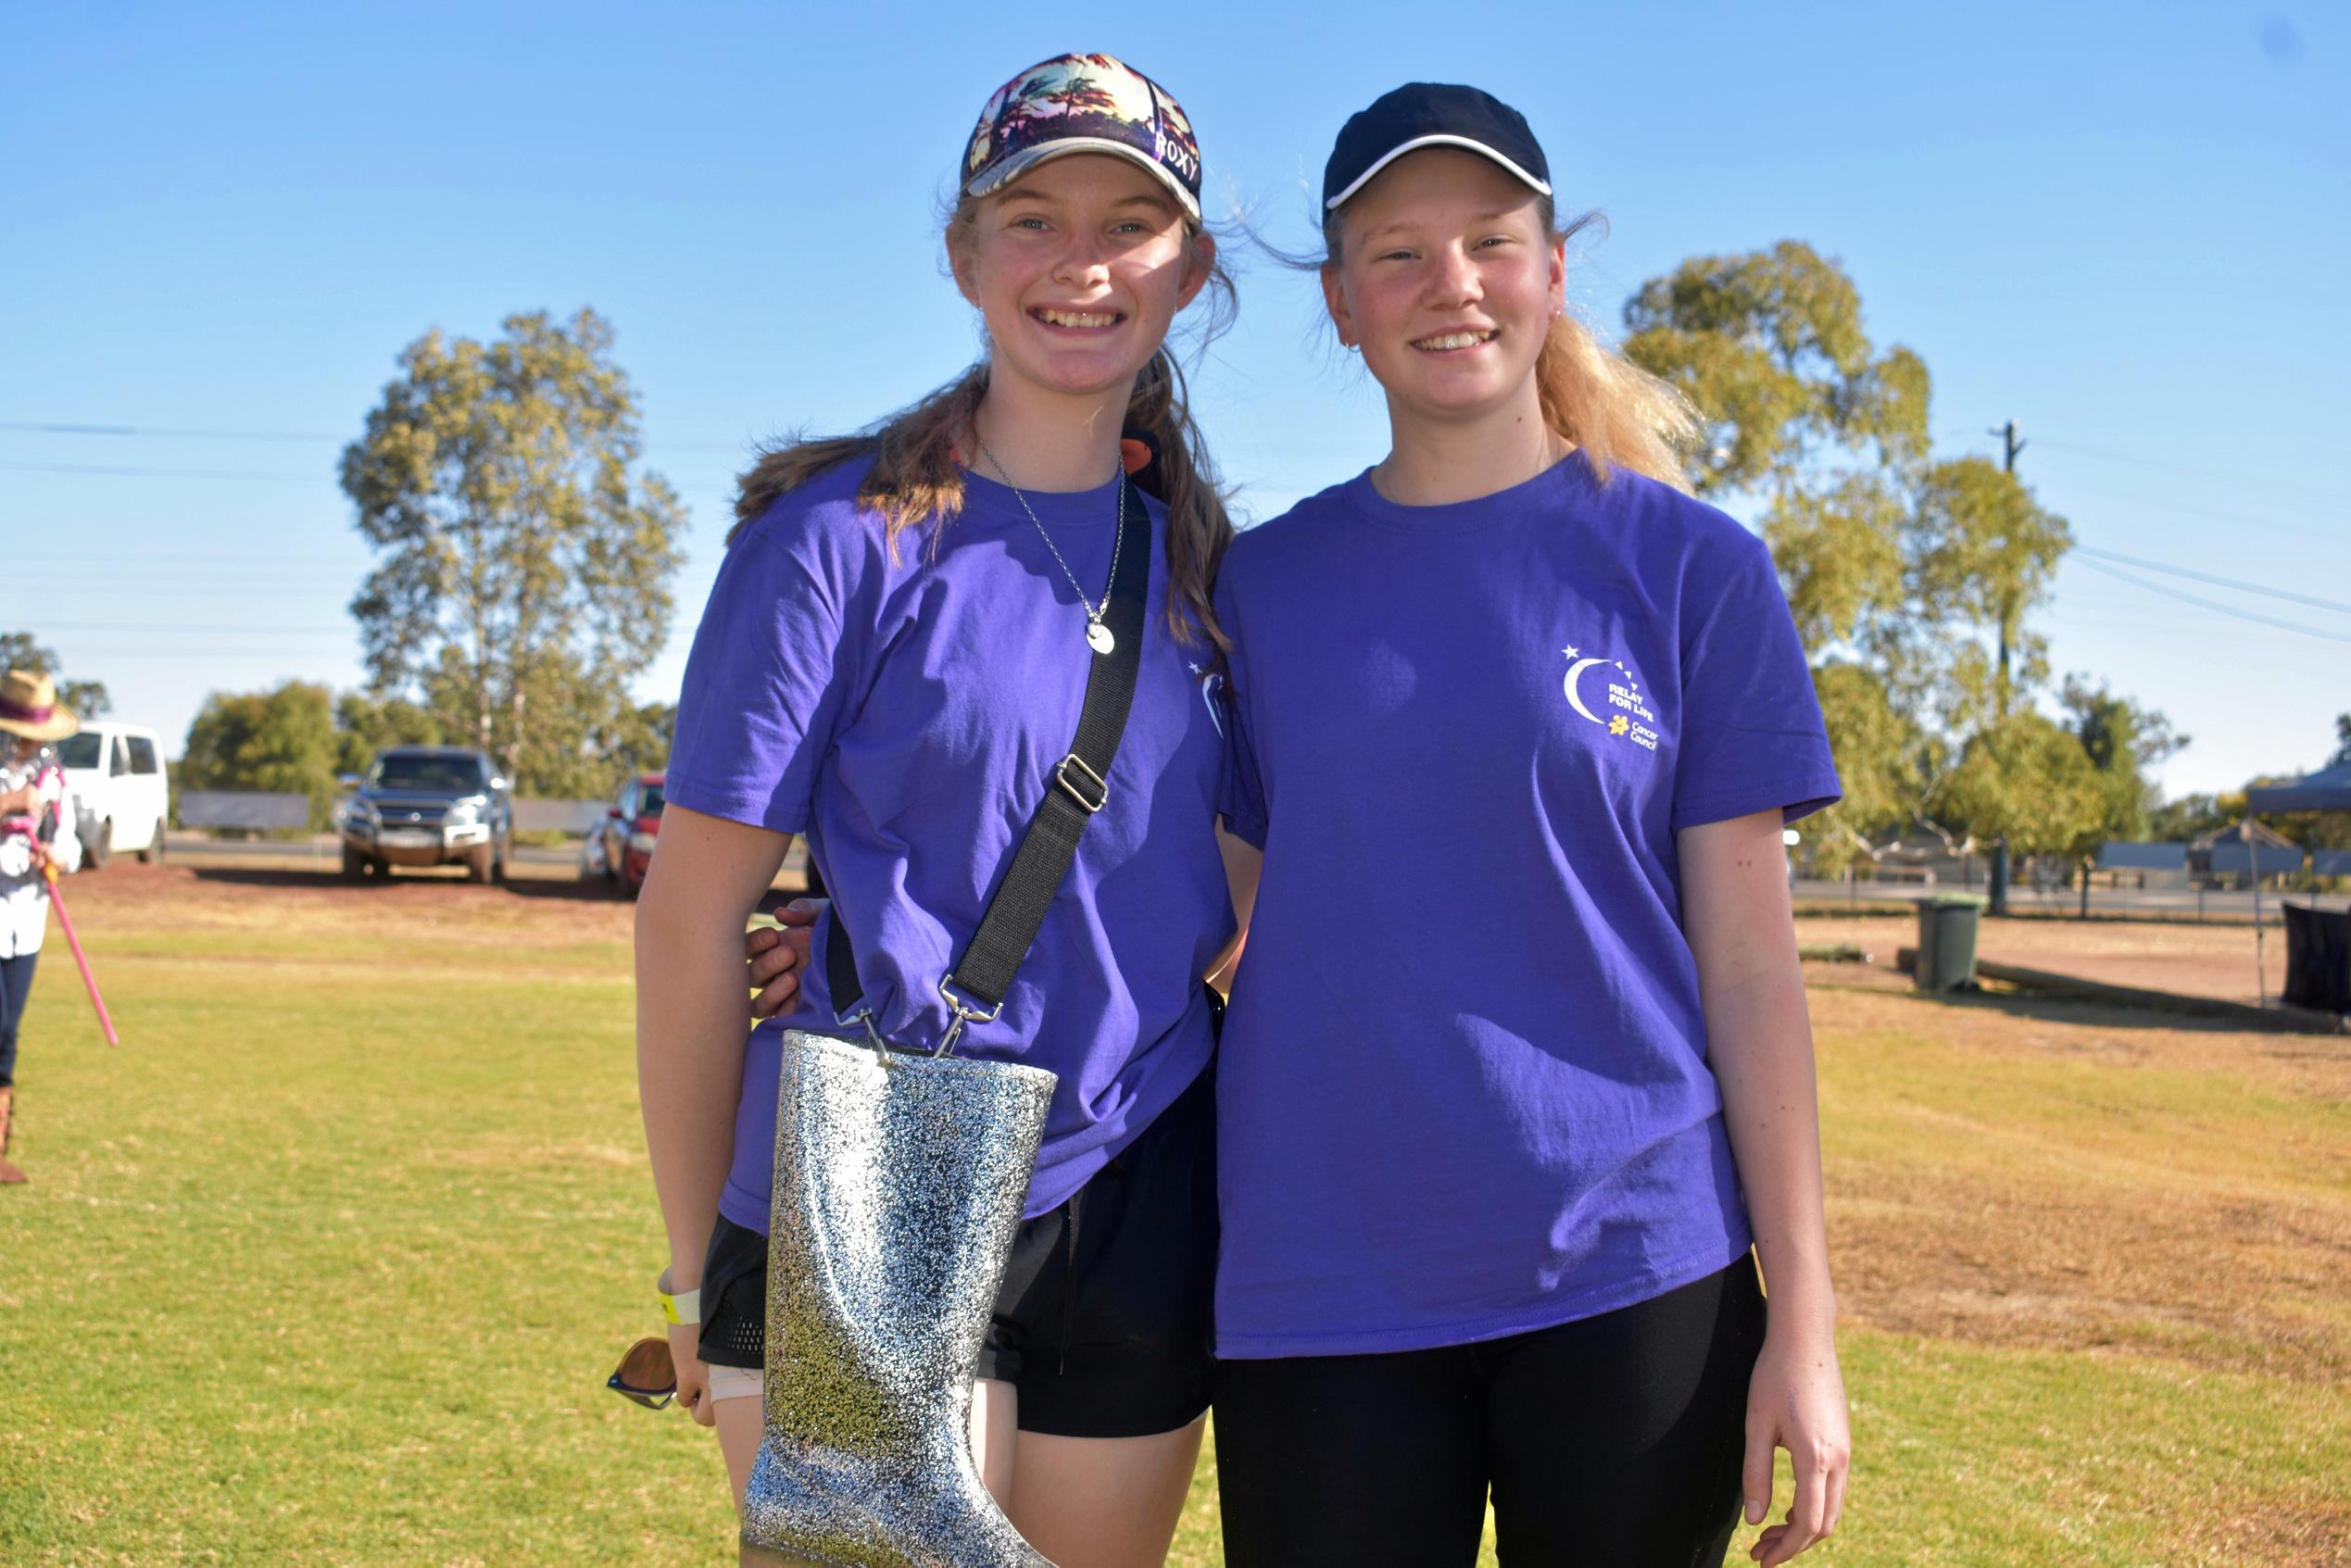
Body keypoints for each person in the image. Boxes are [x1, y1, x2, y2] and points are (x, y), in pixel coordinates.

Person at [1202, 85, 1851, 1568]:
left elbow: (1751, 974)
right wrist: (854, 939)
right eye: (1397, 253)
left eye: (1490, 241)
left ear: (1552, 272)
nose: (1451, 286)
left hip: (1637, 1276)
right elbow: (1201, 909)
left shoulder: (1692, 571)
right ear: (1341, 305)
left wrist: (1803, 1324)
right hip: (1320, 1282)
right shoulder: (1266, 586)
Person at [635, 53, 1239, 1568]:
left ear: (1189, 269)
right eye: (1031, 217)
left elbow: (1245, 893)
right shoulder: (836, 536)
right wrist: (689, 1254)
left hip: (1142, 1167)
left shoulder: (1219, 581)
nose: (1081, 263)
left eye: (1128, 223)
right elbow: (692, 916)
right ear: (963, 253)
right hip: (874, 1156)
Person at [0, 669, 85, 1186]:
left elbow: (73, 843)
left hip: (27, 920)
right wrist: (9, 804)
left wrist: (58, 854)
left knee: (8, 1035)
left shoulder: (54, 776)